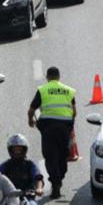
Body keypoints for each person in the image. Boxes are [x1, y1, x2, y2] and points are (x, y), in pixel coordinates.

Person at [27, 66, 76, 198]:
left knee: (50, 156)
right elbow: (74, 111)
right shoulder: (68, 91)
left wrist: (30, 120)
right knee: (62, 155)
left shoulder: (43, 90)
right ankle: (58, 179)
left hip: (48, 127)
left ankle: (56, 182)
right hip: (64, 128)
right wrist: (70, 126)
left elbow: (31, 110)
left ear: (47, 77)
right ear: (59, 77)